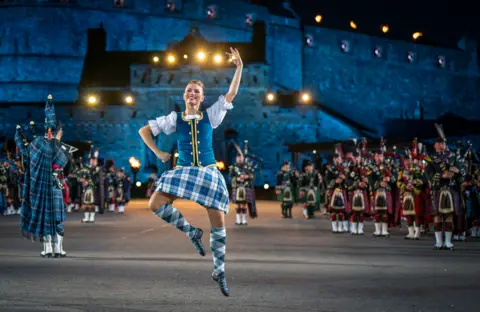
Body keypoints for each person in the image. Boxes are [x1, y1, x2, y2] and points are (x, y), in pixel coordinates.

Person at [138, 47, 243, 297]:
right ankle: (191, 231)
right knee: (155, 203)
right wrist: (159, 153)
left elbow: (231, 94)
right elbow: (144, 131)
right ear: (184, 96)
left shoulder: (211, 115)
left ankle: (219, 270)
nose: (192, 93)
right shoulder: (174, 118)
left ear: (202, 97)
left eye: (196, 91)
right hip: (184, 170)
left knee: (218, 221)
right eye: (189, 90)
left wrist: (239, 67)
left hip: (207, 171)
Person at [15, 95, 69, 257]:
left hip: (41, 188)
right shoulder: (56, 147)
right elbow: (63, 163)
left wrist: (20, 136)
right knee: (57, 220)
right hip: (55, 186)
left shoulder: (35, 146)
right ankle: (58, 249)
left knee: (46, 220)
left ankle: (48, 249)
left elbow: (26, 154)